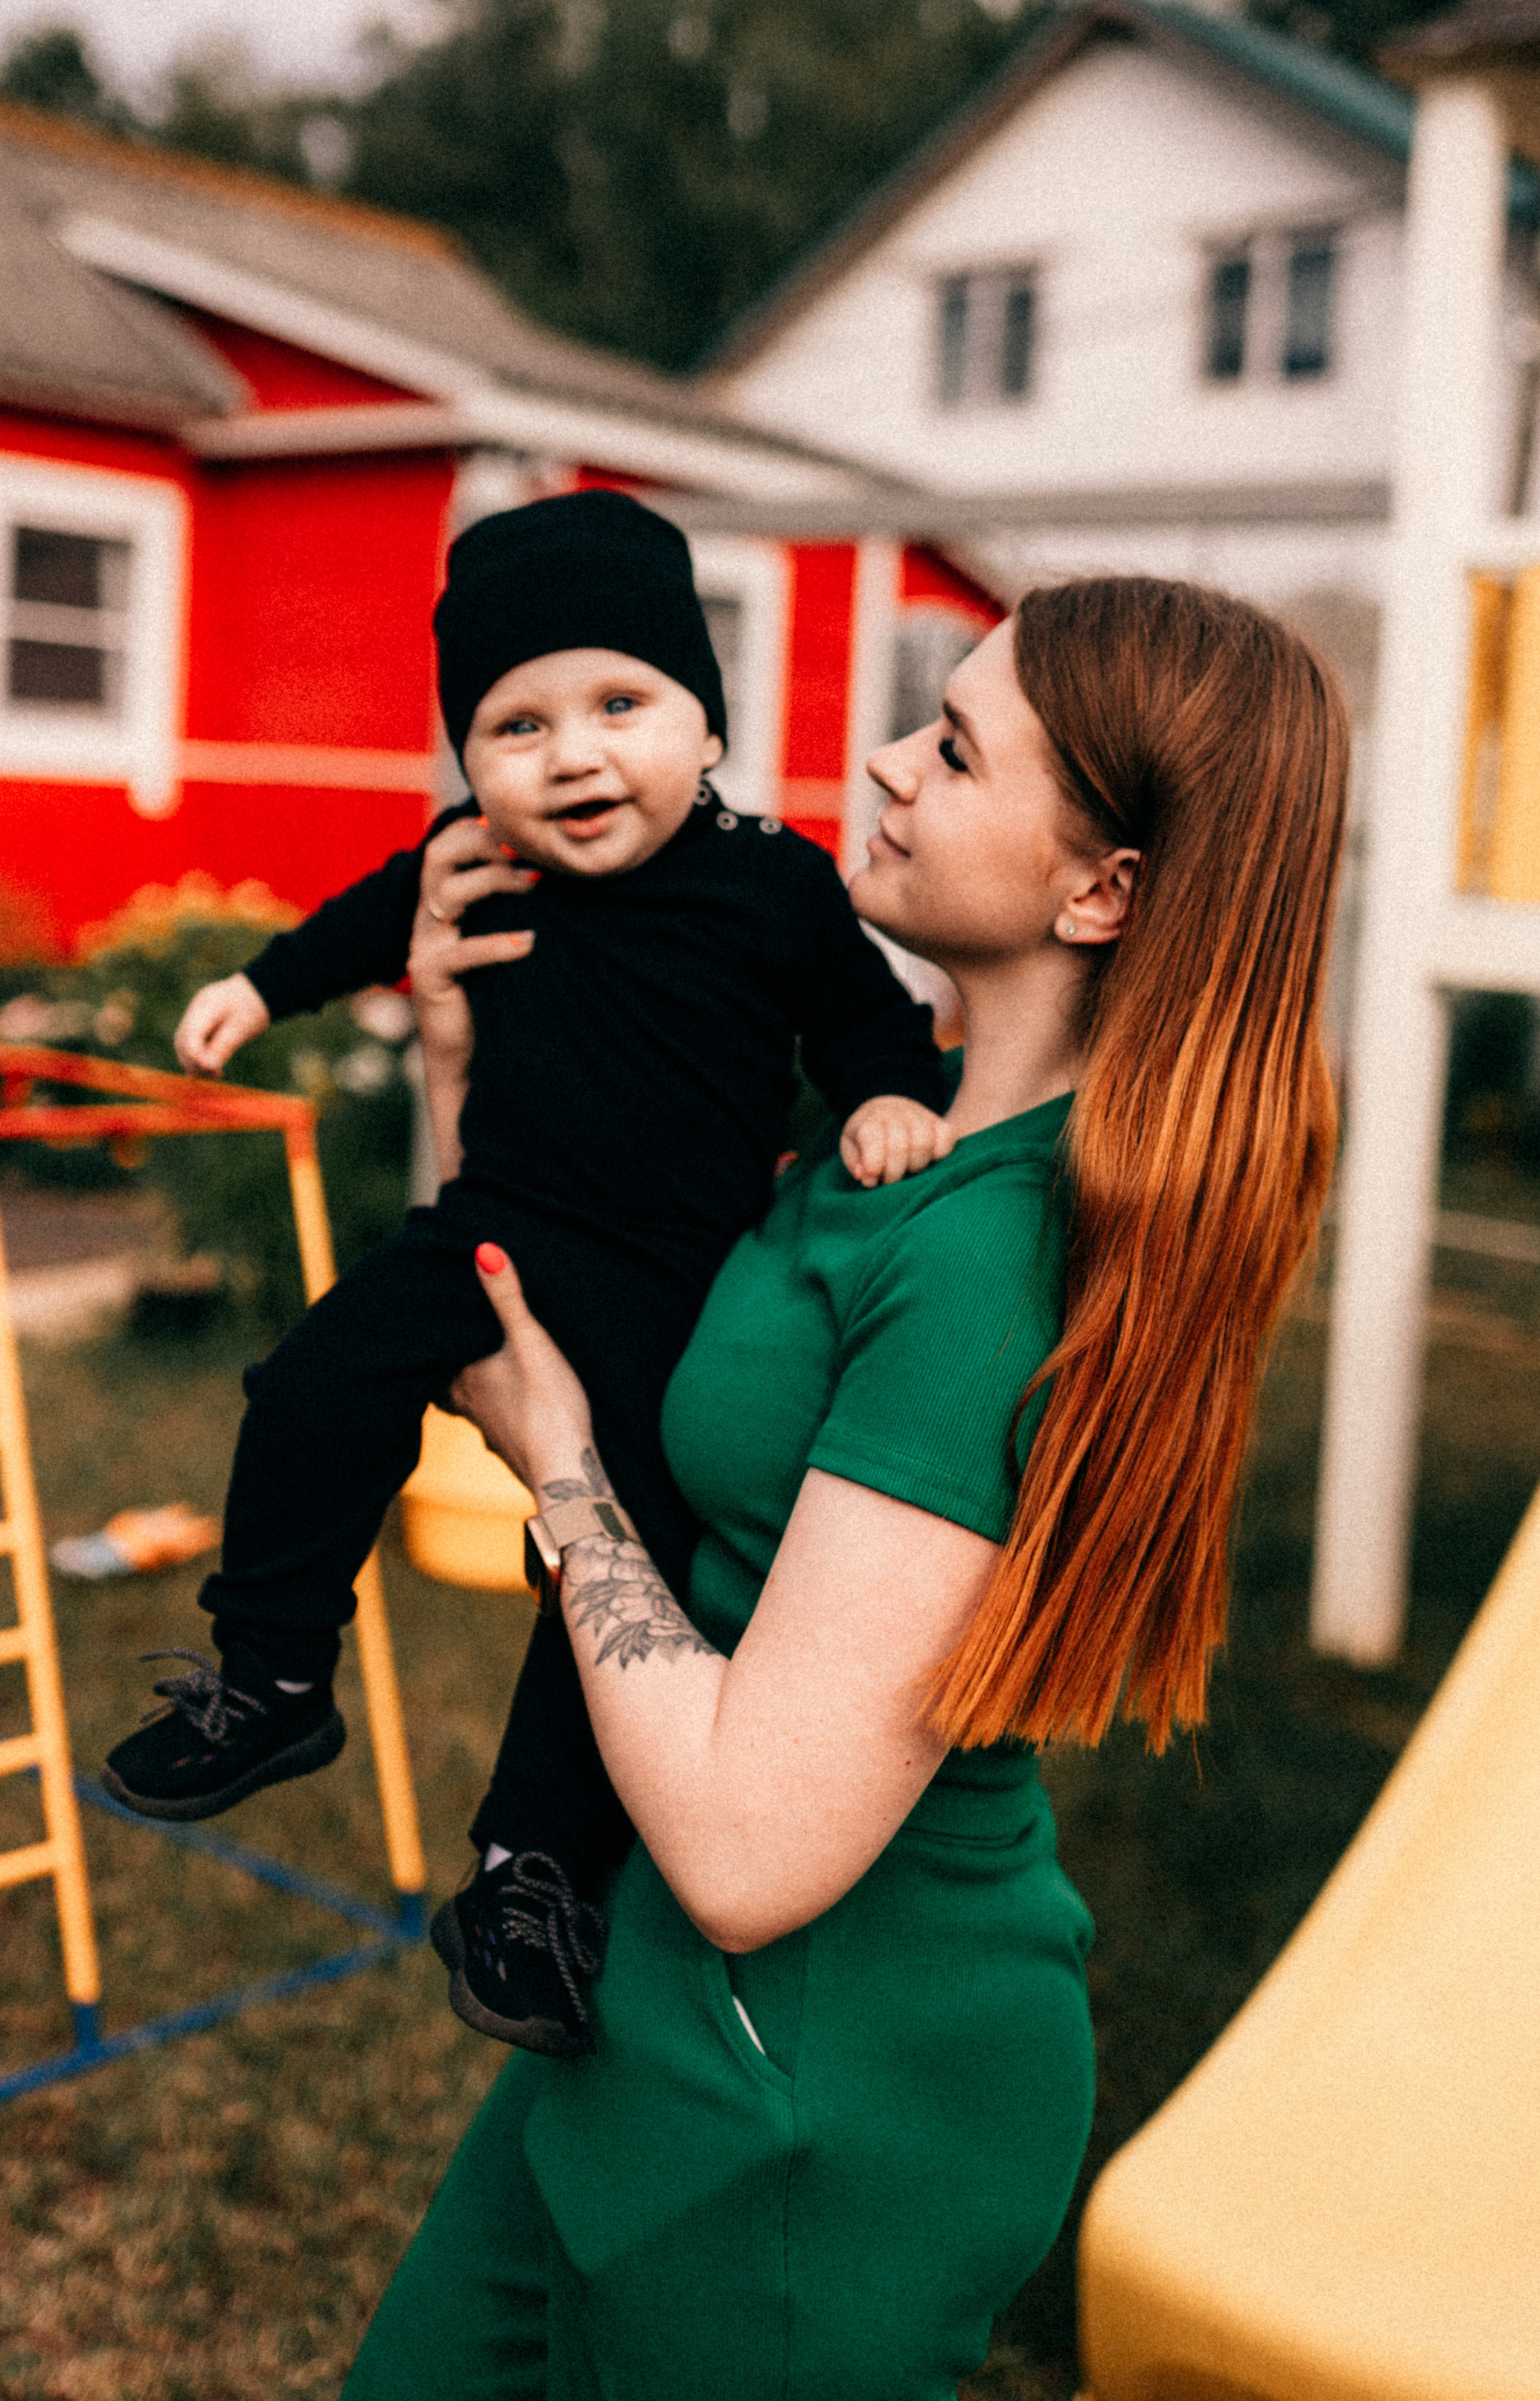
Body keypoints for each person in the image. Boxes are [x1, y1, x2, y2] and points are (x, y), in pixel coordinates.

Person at [345, 573, 1349, 2401]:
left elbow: (750, 1851)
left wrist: (561, 1470)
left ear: (1099, 890)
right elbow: (568, 1274)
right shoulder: (899, 1128)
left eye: (951, 751)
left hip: (808, 2090)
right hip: (647, 1999)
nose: (880, 764)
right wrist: (457, 1059)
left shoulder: (986, 1266)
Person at [101, 490, 947, 2056]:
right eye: (516, 725)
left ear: (708, 726)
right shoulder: (477, 863)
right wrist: (257, 986)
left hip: (668, 1284)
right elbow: (363, 923)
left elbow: (867, 1022)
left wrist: (888, 1095)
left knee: (608, 1566)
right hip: (489, 1229)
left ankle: (530, 1874)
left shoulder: (771, 880)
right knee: (310, 1383)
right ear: (471, 764)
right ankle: (272, 1675)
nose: (571, 756)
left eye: (621, 705)